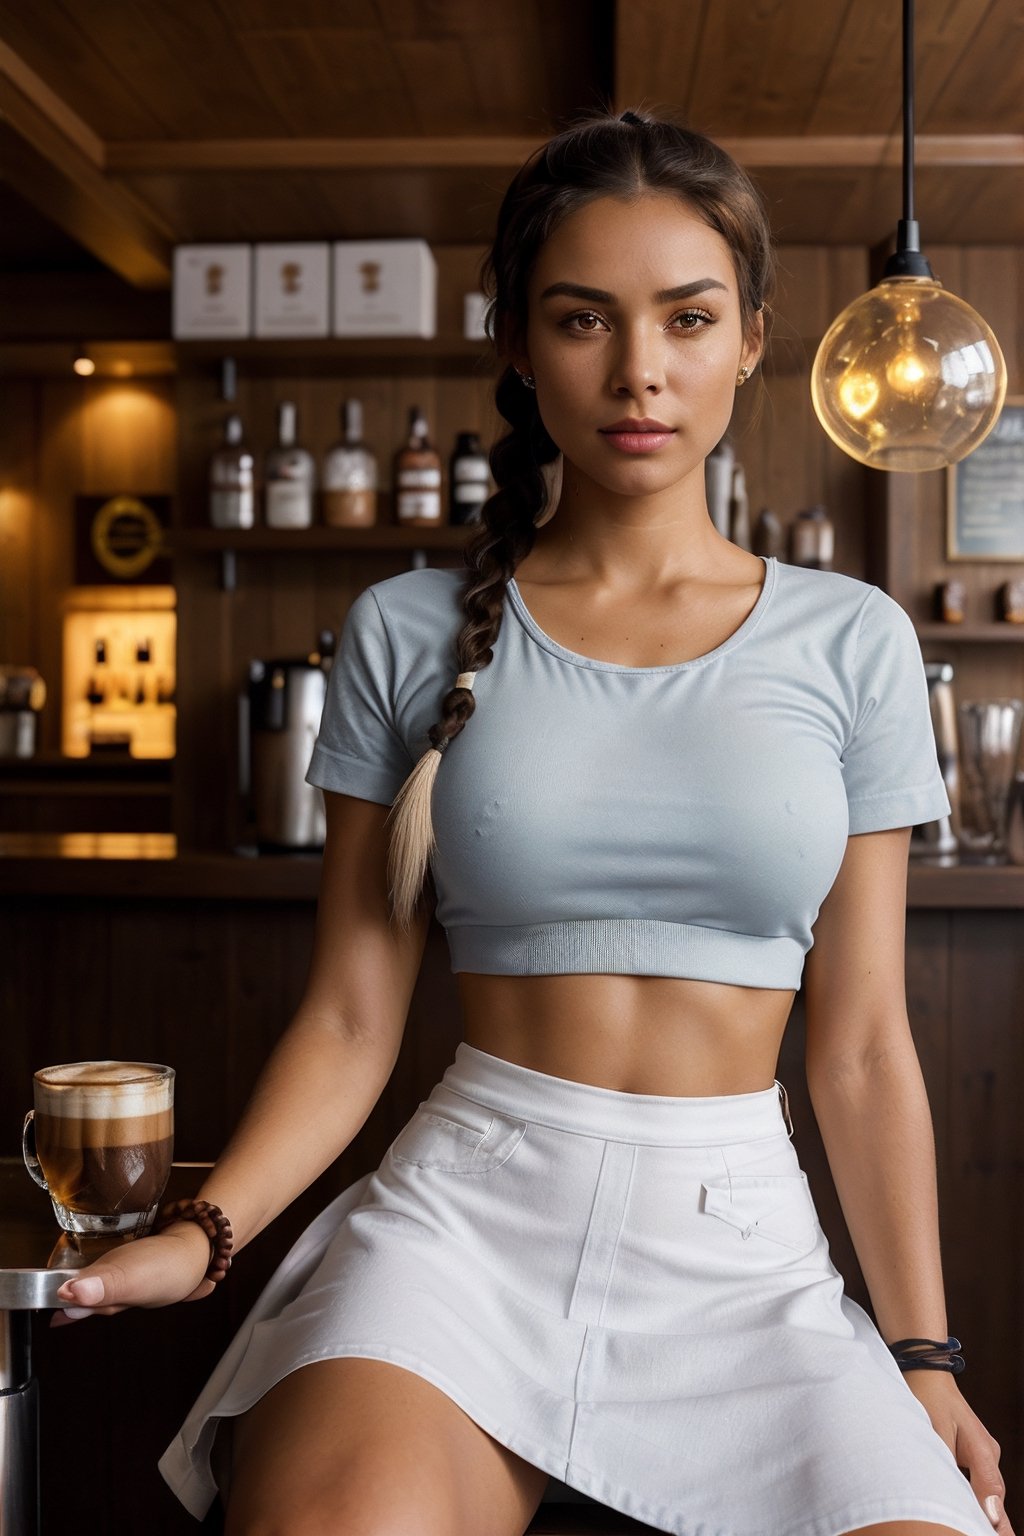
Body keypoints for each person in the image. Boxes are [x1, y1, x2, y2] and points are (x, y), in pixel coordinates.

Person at [54, 109, 1012, 1536]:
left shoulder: (853, 639)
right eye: (584, 319)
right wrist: (206, 1238)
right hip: (462, 1229)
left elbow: (864, 1041)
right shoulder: (406, 631)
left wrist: (924, 1354)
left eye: (688, 318)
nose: (641, 371)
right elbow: (349, 1018)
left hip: (741, 1250)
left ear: (753, 336)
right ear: (515, 339)